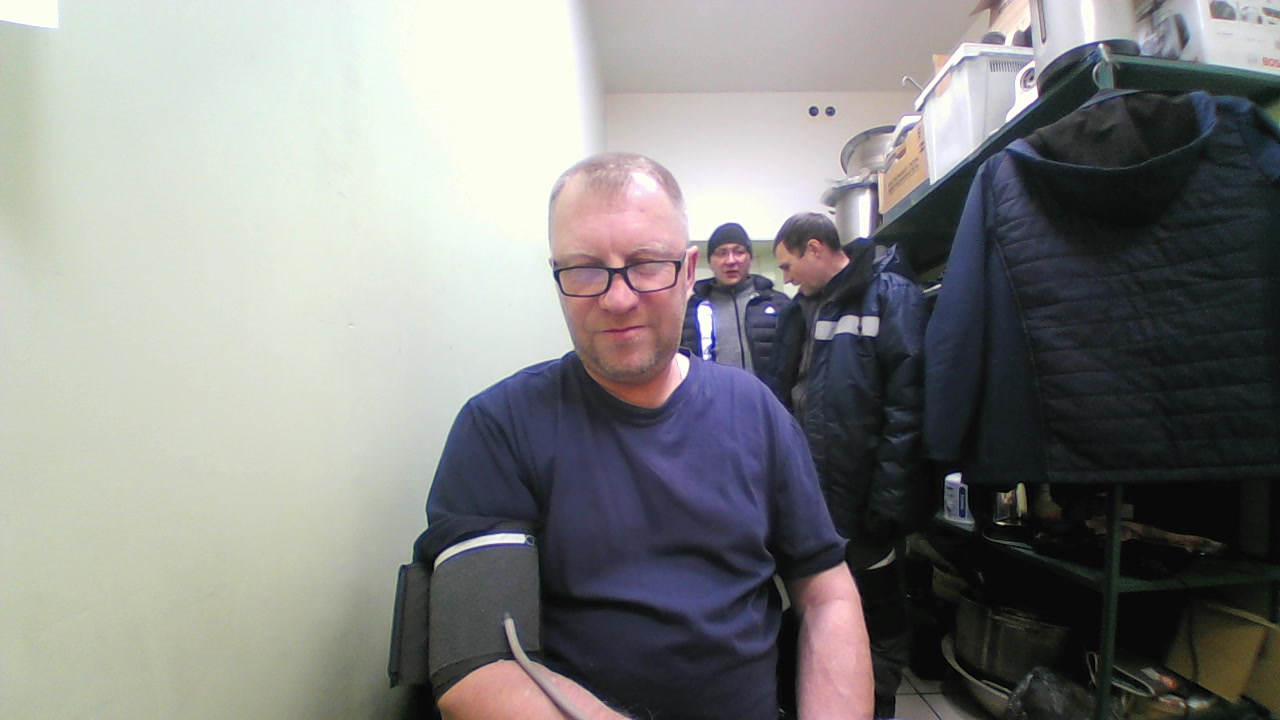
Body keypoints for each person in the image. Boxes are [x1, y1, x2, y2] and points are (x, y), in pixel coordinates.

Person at [417, 153, 874, 720]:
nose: (617, 298)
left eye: (647, 264)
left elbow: (826, 594)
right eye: (584, 269)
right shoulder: (498, 427)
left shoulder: (755, 412)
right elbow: (477, 665)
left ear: (687, 270)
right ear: (557, 277)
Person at [767, 212, 927, 720]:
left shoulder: (889, 295)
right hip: (811, 499)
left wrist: (888, 500)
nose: (786, 278)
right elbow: (780, 399)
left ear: (815, 248)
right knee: (814, 610)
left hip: (864, 500)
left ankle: (875, 708)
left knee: (875, 614)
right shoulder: (798, 312)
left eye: (788, 265)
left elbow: (908, 407)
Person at [680, 222, 789, 378]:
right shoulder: (690, 309)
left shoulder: (778, 303)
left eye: (739, 252)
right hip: (710, 392)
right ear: (710, 262)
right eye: (721, 253)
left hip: (765, 392)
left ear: (750, 258)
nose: (731, 261)